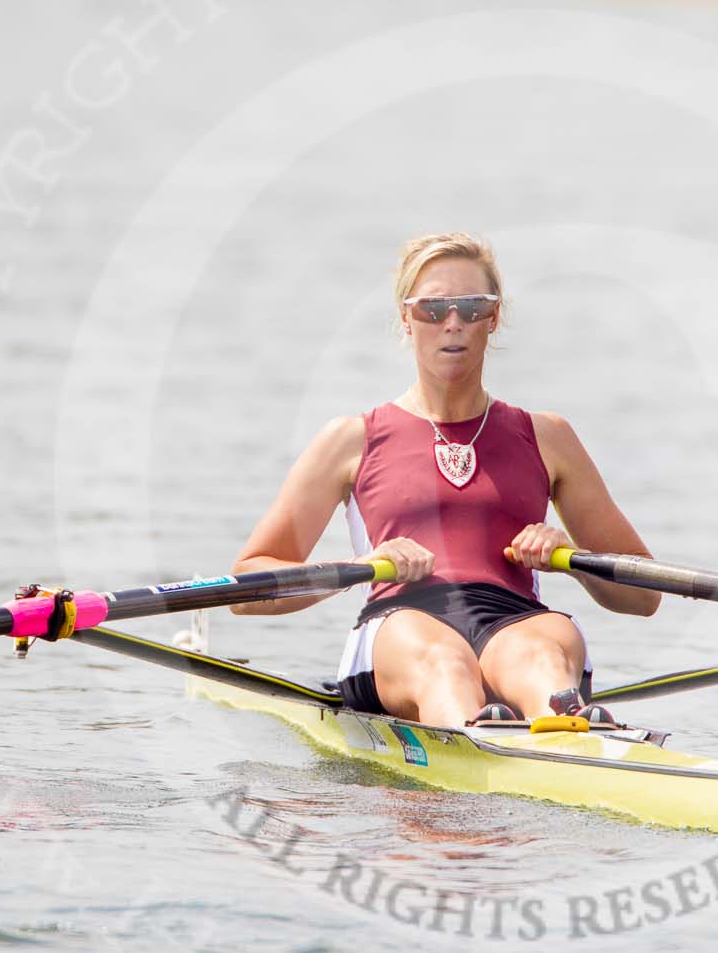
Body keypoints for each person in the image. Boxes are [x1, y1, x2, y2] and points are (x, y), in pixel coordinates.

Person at [230, 232, 660, 727]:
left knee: (540, 655)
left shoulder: (548, 437)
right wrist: (360, 565)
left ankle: (567, 737)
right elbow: (246, 586)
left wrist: (573, 562)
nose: (452, 324)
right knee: (445, 664)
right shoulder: (351, 439)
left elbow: (643, 595)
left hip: (515, 617)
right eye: (433, 309)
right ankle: (482, 740)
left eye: (471, 308)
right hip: (400, 620)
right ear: (406, 319)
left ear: (493, 318)